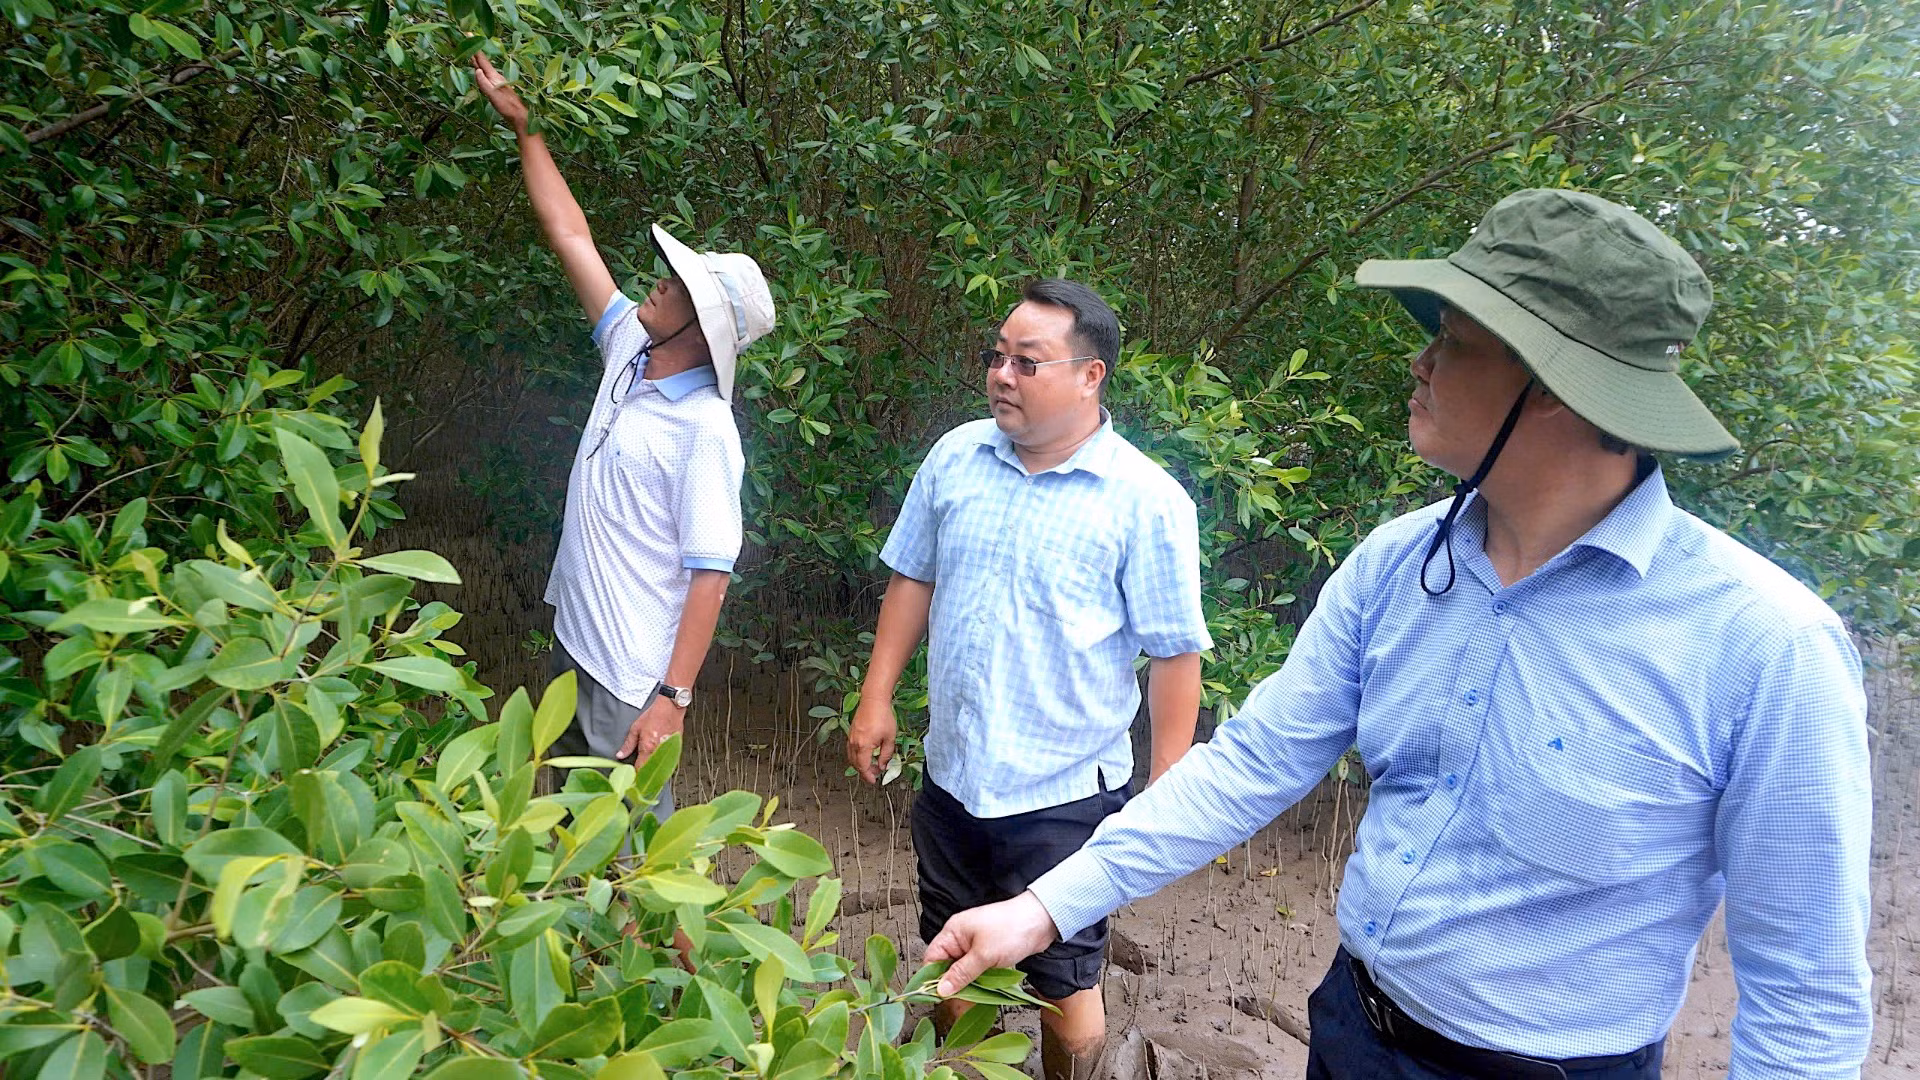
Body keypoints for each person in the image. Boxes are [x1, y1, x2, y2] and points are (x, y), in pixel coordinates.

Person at [920, 190, 1873, 1079]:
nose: (1419, 361)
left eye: (1452, 340)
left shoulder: (1766, 645)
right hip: (1351, 1026)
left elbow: (1806, 1000)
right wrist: (1046, 907)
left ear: (1551, 384)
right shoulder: (1397, 563)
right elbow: (1252, 762)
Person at [847, 279, 1213, 1080]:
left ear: (1091, 376)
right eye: (996, 357)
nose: (1001, 375)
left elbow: (1175, 652)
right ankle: (956, 1068)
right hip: (954, 774)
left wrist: (1167, 787)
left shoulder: (1147, 501)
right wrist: (876, 698)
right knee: (947, 953)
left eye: (1027, 362)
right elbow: (914, 578)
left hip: (1065, 795)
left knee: (1067, 989)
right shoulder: (956, 457)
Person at [472, 53, 775, 811]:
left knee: (636, 863)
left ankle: (682, 938)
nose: (659, 282)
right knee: (578, 841)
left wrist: (672, 698)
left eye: (676, 286)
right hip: (577, 644)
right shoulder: (627, 351)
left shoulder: (705, 429)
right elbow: (569, 233)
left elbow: (712, 573)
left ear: (702, 332)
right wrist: (526, 128)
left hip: (628, 671)